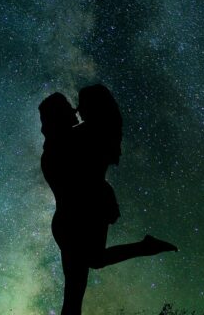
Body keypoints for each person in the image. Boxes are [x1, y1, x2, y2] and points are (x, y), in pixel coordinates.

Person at [39, 85, 177, 315]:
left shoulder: (73, 140)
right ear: (58, 115)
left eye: (78, 107)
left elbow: (85, 176)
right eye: (70, 108)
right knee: (84, 276)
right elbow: (82, 179)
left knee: (77, 288)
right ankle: (145, 246)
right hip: (79, 218)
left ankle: (145, 246)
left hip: (77, 218)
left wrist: (104, 193)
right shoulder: (75, 139)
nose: (75, 111)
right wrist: (105, 193)